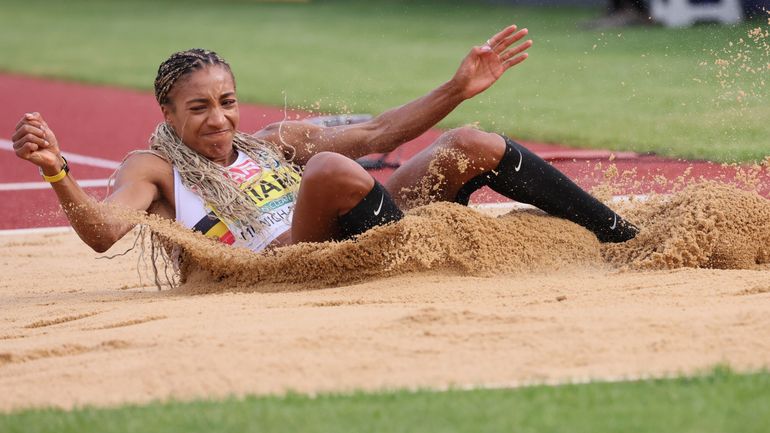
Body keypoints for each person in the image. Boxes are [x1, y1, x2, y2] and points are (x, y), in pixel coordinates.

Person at [12, 24, 637, 261]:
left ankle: (622, 239)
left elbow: (379, 132)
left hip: (365, 224)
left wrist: (455, 89)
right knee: (330, 169)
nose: (220, 119)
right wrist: (57, 171)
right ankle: (406, 250)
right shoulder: (149, 167)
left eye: (227, 103)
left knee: (469, 141)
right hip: (291, 264)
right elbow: (103, 232)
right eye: (198, 108)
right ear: (168, 113)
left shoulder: (271, 140)